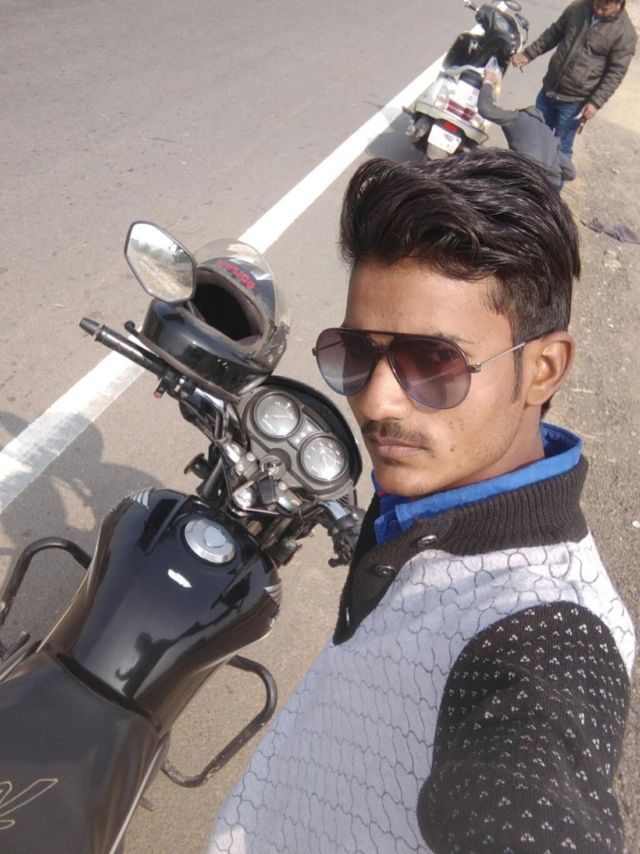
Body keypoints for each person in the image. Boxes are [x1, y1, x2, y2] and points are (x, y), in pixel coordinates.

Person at [209, 151, 635, 853]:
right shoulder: (433, 499)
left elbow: (534, 798)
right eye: (355, 352)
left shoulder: (548, 628)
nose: (377, 402)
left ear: (544, 368)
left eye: (434, 363)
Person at [511, 0, 637, 160]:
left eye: (604, 9)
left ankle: (555, 178)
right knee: (535, 139)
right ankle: (528, 174)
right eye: (597, 5)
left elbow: (615, 73)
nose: (598, 11)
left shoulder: (625, 34)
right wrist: (529, 54)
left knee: (561, 149)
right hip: (549, 89)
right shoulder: (579, 8)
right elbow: (554, 33)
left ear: (619, 4)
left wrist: (595, 103)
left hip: (574, 103)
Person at [478, 70, 576, 188]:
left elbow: (486, 109)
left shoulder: (517, 117)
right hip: (548, 187)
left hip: (525, 176)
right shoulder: (550, 137)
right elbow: (571, 173)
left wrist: (488, 82)